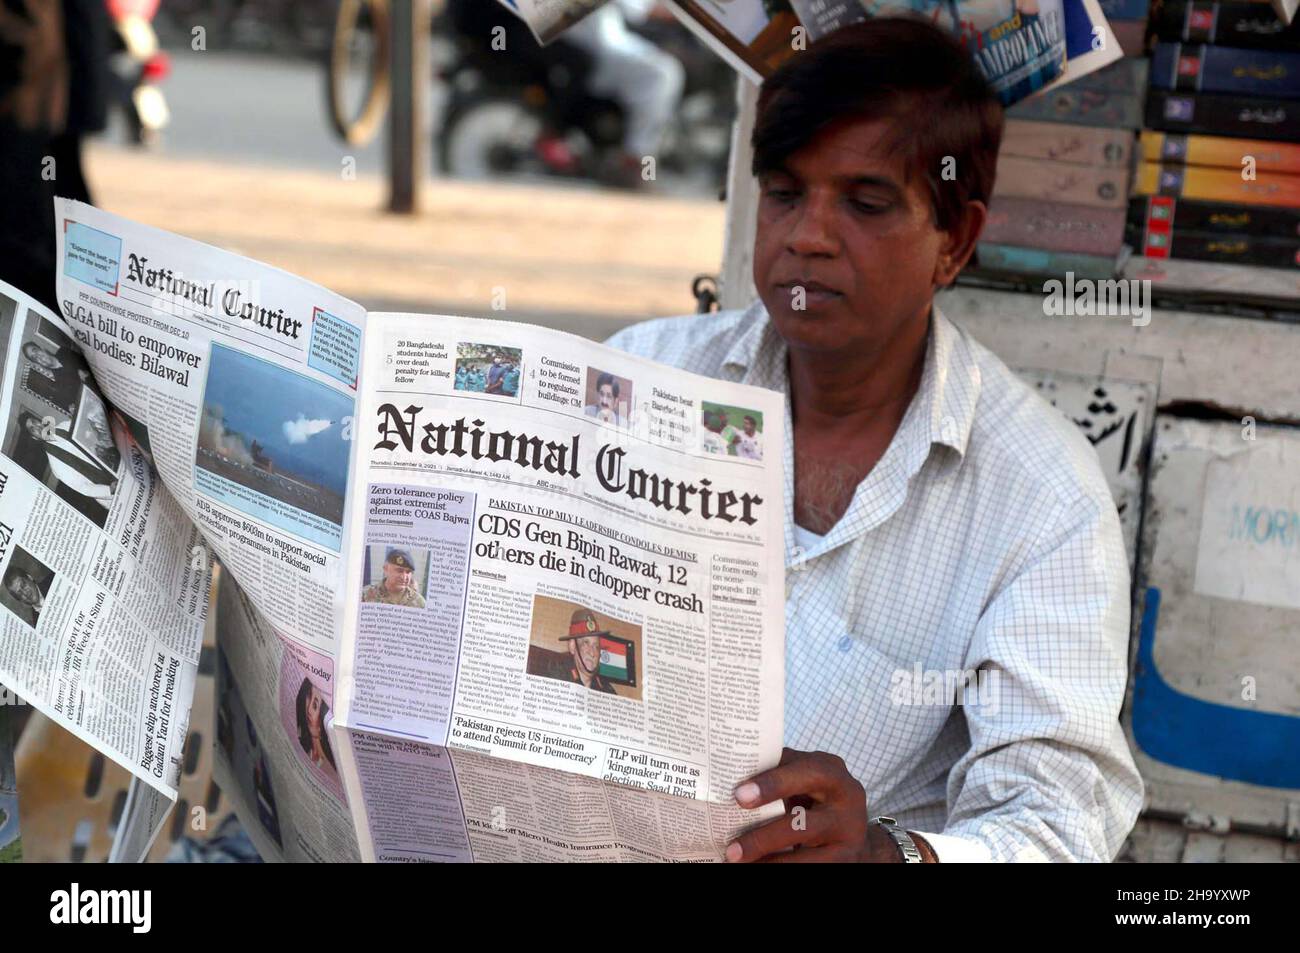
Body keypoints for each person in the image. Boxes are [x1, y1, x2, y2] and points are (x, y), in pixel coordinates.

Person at [607, 19, 1143, 862]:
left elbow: (1060, 822)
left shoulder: (1042, 499)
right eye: (784, 193)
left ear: (954, 242)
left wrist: (887, 857)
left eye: (863, 203)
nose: (807, 235)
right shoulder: (641, 376)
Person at [562, 0, 684, 186]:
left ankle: (637, 161)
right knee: (663, 73)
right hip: (589, 48)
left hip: (592, 43)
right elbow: (651, 10)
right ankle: (635, 160)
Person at [21, 411, 118, 508]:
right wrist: (109, 490)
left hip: (114, 464)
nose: (37, 427)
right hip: (111, 493)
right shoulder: (56, 465)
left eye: (35, 422)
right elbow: (82, 487)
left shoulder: (64, 426)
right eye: (32, 429)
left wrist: (79, 414)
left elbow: (90, 429)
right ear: (34, 437)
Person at [547, 608, 617, 693]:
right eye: (586, 643)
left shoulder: (607, 690)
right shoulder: (557, 677)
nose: (592, 653)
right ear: (573, 646)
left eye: (596, 646)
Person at [360, 548, 426, 608]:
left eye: (408, 572)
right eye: (399, 571)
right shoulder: (365, 594)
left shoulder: (419, 602)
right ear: (385, 569)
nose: (404, 577)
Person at [295, 677, 336, 773]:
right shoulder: (303, 742)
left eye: (315, 706)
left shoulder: (327, 768)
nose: (309, 709)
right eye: (309, 696)